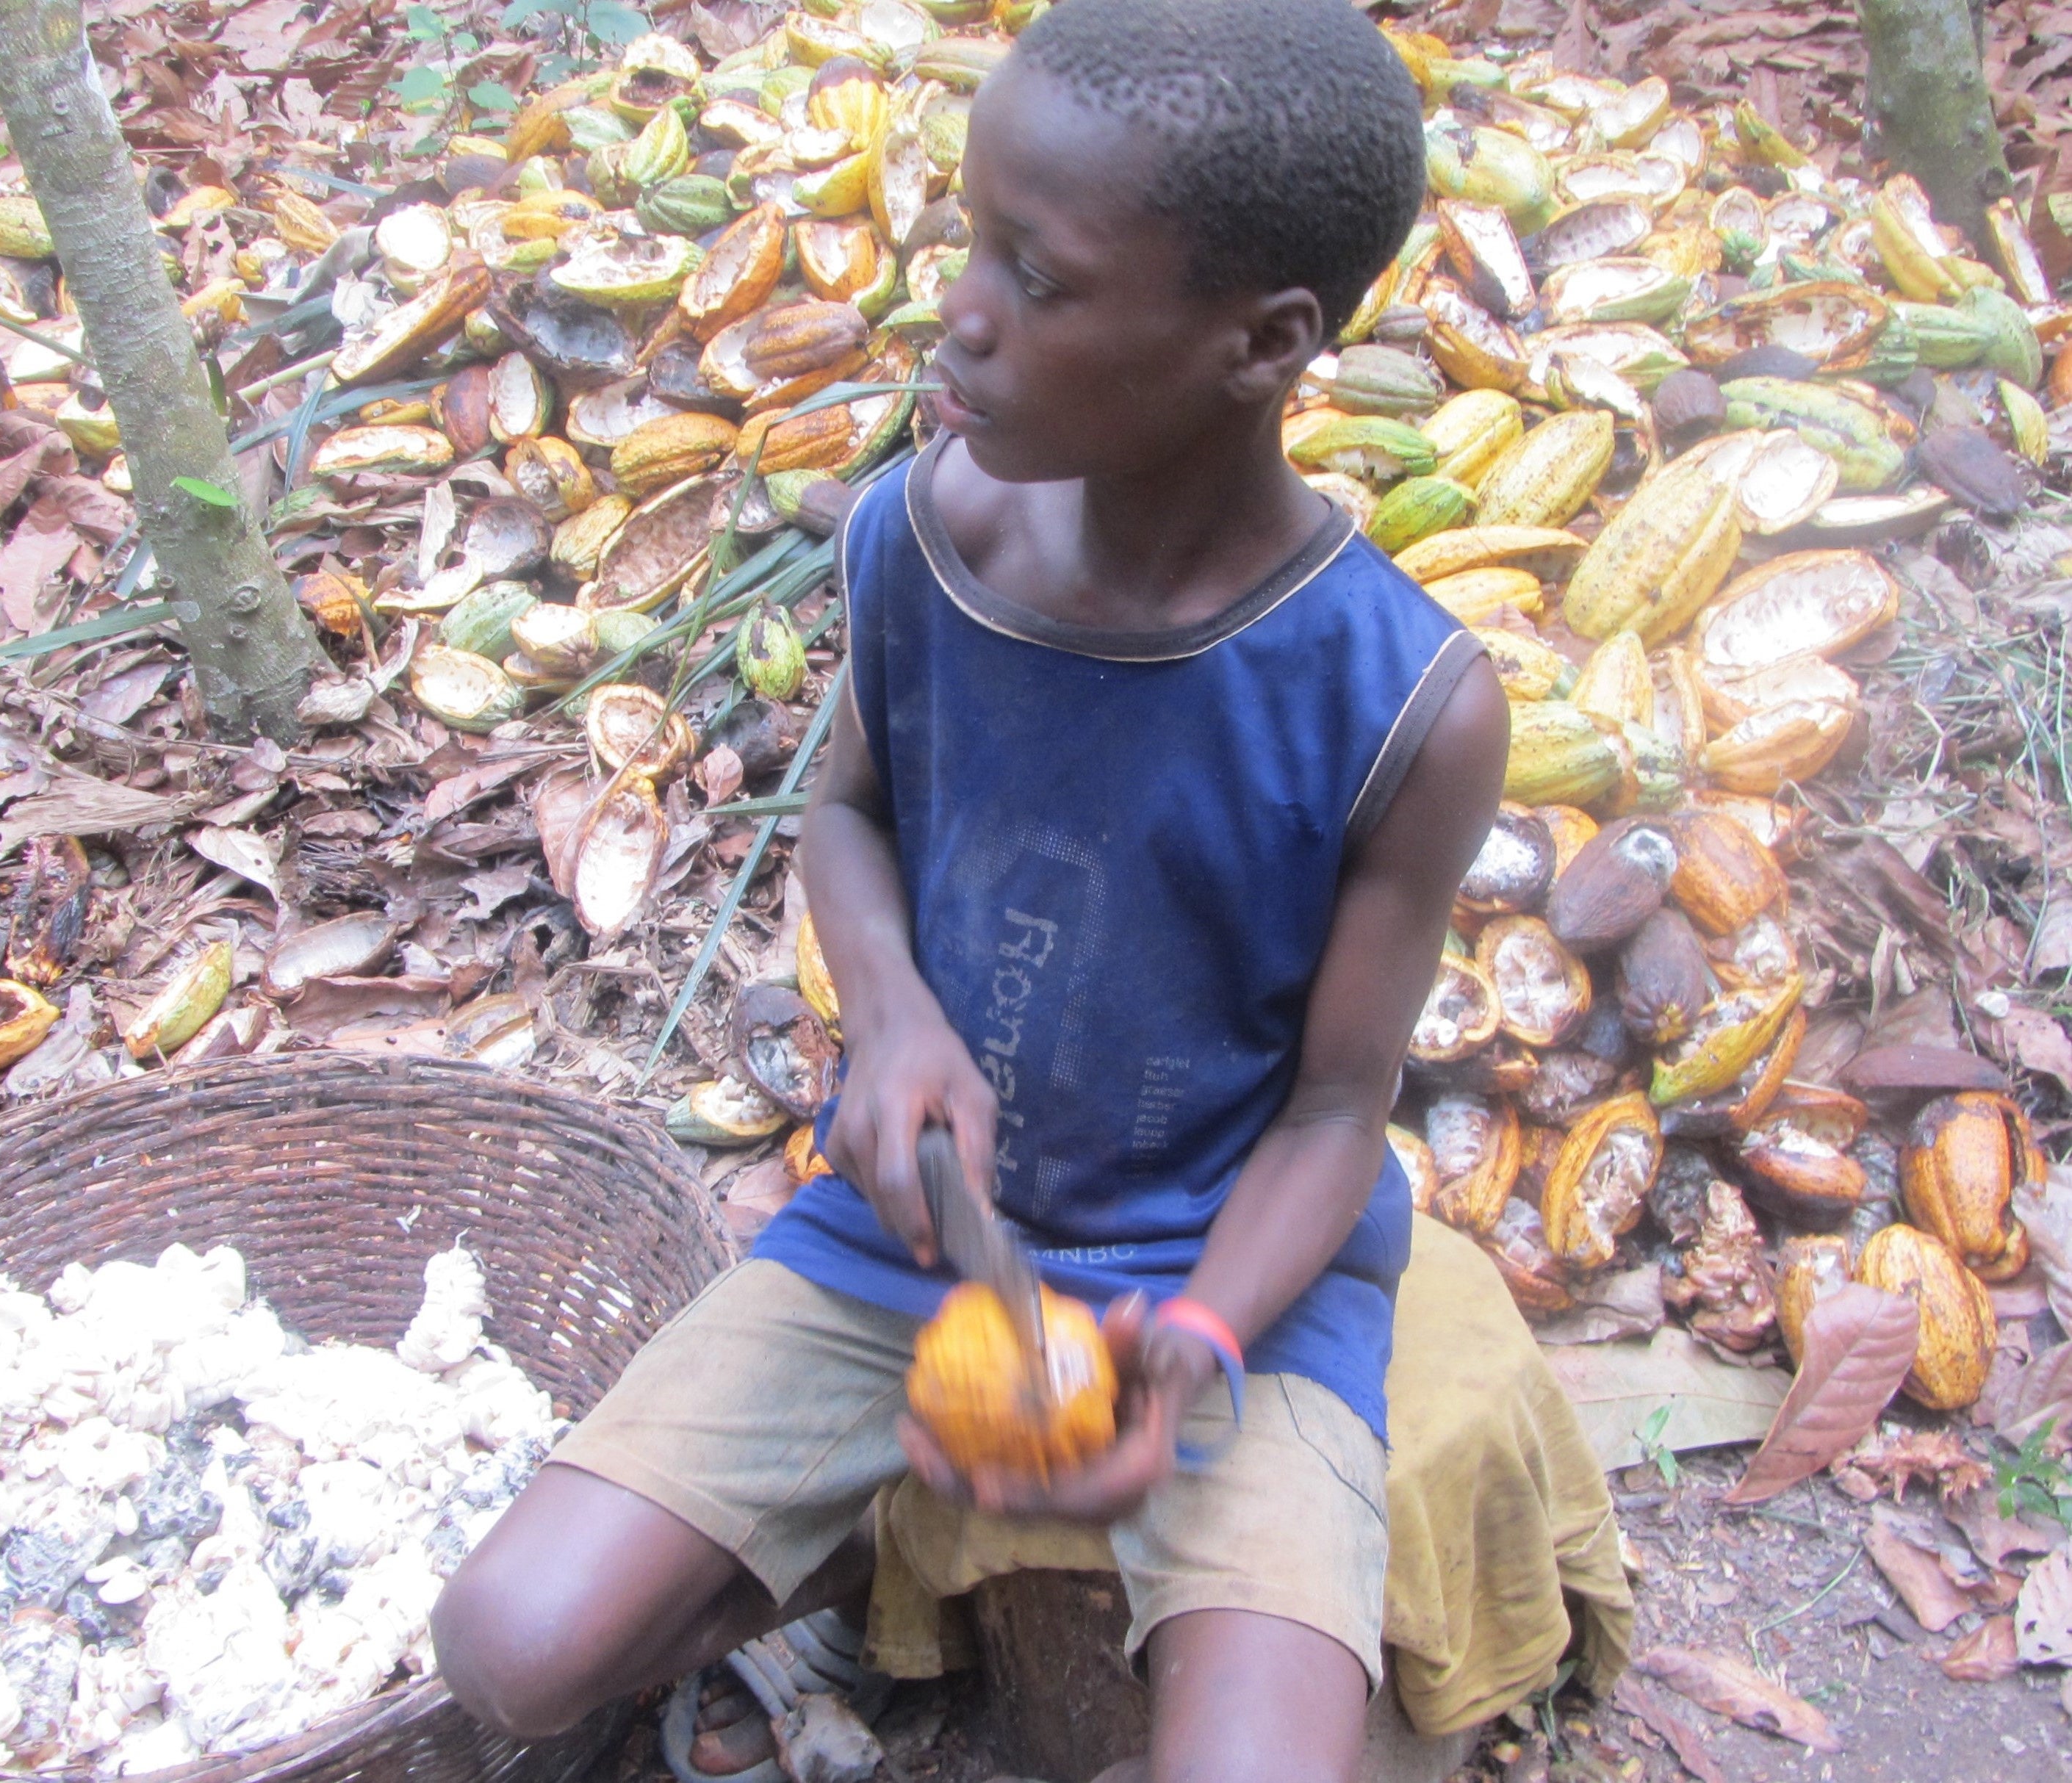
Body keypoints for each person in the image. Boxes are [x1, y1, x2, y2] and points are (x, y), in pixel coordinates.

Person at [433, 0, 1510, 1775]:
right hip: (921, 1232)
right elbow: (846, 817)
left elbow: (1335, 1113)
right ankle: (854, 1541)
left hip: (1214, 1275)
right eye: (967, 238)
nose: (960, 312)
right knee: (508, 1644)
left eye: (1039, 275)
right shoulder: (918, 538)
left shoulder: (1400, 702)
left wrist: (1188, 1350)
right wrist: (893, 1024)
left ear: (1260, 343)